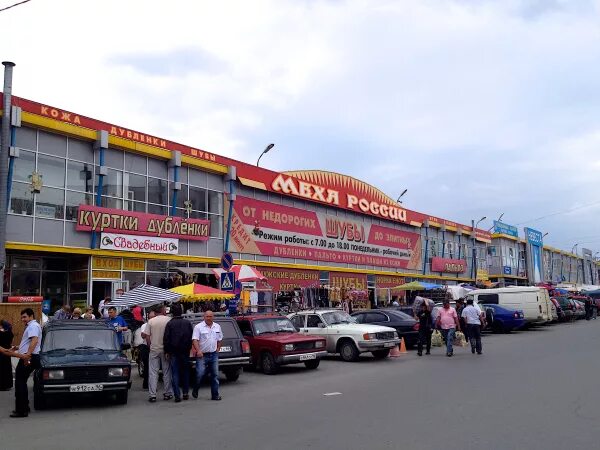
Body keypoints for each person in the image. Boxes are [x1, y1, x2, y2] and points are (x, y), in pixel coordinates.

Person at [0, 308, 42, 418]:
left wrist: (27, 355)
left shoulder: (32, 326)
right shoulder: (33, 326)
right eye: (22, 317)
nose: (22, 319)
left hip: (29, 357)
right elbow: (30, 342)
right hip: (31, 356)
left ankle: (21, 410)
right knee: (21, 381)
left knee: (20, 383)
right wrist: (17, 347)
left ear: (31, 316)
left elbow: (34, 340)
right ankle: (24, 407)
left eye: (24, 317)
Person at [164, 304, 193, 403]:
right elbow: (191, 337)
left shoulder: (170, 324)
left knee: (175, 373)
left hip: (174, 352)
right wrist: (189, 348)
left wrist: (167, 351)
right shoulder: (187, 323)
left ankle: (177, 395)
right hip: (185, 351)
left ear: (172, 313)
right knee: (185, 372)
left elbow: (166, 339)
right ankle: (185, 393)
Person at [192, 310, 223, 401]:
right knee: (200, 374)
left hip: (213, 354)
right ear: (204, 317)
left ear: (213, 317)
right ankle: (196, 388)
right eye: (207, 316)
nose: (209, 318)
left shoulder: (217, 326)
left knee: (215, 375)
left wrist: (218, 348)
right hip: (202, 355)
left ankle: (215, 395)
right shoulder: (198, 327)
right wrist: (198, 351)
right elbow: (194, 340)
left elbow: (220, 338)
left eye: (210, 316)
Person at [146, 305, 173, 403]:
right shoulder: (169, 320)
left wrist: (150, 345)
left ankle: (152, 395)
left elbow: (147, 336)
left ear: (155, 312)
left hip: (154, 348)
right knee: (166, 372)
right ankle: (167, 393)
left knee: (153, 372)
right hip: (165, 349)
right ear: (162, 311)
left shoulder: (151, 321)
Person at [138, 310, 156, 390]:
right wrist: (148, 329)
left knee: (154, 368)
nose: (152, 319)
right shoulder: (144, 325)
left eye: (153, 317)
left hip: (155, 347)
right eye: (150, 318)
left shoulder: (157, 324)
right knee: (147, 367)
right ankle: (146, 384)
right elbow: (143, 336)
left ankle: (152, 384)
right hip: (146, 347)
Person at [0, 320, 14, 391]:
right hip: (8, 352)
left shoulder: (1, 333)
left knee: (1, 369)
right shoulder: (10, 333)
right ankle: (8, 385)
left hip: (1, 352)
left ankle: (2, 385)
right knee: (7, 369)